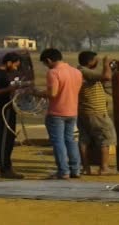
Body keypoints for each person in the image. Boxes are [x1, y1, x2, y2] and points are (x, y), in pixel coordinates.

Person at [36, 47, 82, 178]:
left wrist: (37, 93)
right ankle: (75, 169)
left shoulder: (53, 73)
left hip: (57, 112)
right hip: (72, 111)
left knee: (58, 142)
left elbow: (53, 93)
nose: (46, 66)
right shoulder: (76, 72)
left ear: (49, 60)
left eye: (45, 63)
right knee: (70, 140)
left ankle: (63, 171)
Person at [0, 52, 26, 179]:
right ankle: (4, 168)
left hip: (7, 108)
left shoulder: (3, 73)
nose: (16, 68)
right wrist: (9, 89)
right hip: (4, 110)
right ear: (8, 63)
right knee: (5, 140)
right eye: (15, 66)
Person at [77, 51, 115, 176]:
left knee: (84, 140)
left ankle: (85, 168)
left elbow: (100, 80)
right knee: (105, 138)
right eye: (95, 60)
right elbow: (107, 77)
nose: (97, 62)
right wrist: (106, 64)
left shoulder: (80, 72)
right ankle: (104, 168)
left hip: (84, 111)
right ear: (90, 62)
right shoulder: (84, 71)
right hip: (96, 112)